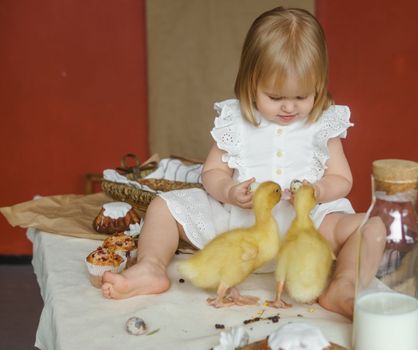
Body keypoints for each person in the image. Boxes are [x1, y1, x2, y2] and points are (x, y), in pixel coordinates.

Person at [101, 6, 385, 319]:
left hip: (307, 229)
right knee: (163, 207)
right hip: (238, 227)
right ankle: (150, 268)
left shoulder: (323, 123)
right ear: (251, 83)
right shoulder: (236, 120)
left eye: (303, 96)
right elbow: (212, 172)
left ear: (319, 85)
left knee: (371, 227)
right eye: (275, 97)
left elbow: (342, 178)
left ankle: (343, 285)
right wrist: (230, 191)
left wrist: (318, 190)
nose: (289, 106)